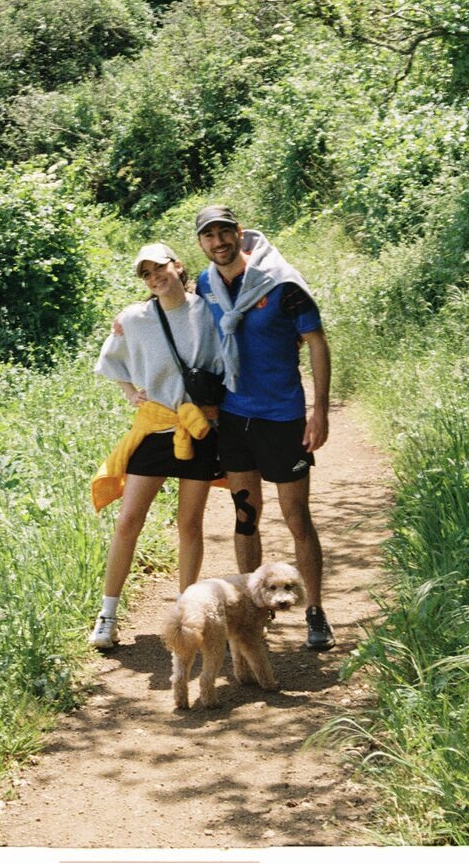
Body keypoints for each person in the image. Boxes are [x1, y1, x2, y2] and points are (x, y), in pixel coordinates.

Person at [194, 204, 335, 650]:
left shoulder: (282, 283)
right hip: (235, 417)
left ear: (239, 233)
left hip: (282, 417)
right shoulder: (206, 284)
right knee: (245, 516)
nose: (218, 242)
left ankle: (315, 611)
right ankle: (252, 615)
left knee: (296, 518)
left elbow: (316, 342)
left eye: (224, 232)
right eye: (209, 235)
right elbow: (181, 315)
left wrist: (319, 410)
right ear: (201, 243)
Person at [89, 242, 226, 650]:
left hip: (198, 429)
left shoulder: (208, 311)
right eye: (146, 274)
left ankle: (186, 614)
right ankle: (107, 615)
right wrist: (130, 392)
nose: (154, 277)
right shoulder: (134, 318)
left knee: (190, 524)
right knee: (128, 520)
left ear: (177, 266)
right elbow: (111, 358)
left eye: (159, 268)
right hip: (155, 429)